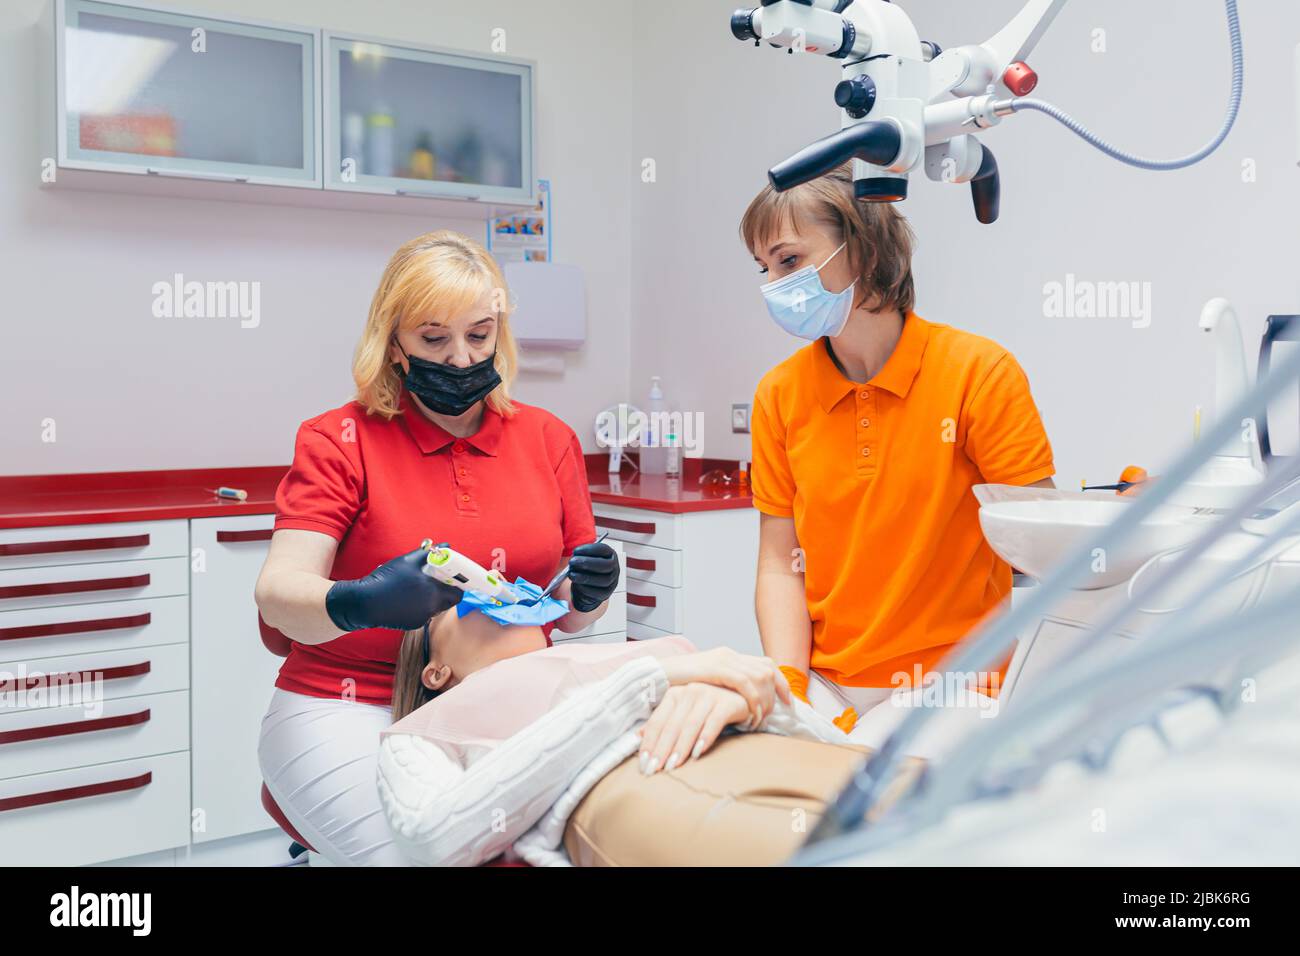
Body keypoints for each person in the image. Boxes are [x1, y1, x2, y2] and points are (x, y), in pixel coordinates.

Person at [254, 231, 620, 865]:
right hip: (348, 698)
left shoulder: (547, 438)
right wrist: (361, 602)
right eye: (433, 338)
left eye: (479, 336)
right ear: (393, 342)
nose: (459, 358)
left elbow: (572, 615)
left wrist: (588, 593)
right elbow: (280, 596)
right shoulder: (339, 439)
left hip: (510, 699)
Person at [741, 163, 1056, 736]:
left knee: (863, 797)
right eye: (764, 269)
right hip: (826, 682)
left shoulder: (977, 374)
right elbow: (779, 565)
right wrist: (787, 686)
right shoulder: (779, 395)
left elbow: (1042, 544)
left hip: (953, 685)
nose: (774, 286)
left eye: (789, 261)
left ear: (859, 250)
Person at [377, 604, 910, 866]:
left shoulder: (602, 657)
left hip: (780, 751)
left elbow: (819, 736)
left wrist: (740, 702)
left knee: (954, 818)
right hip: (654, 787)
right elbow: (431, 836)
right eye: (462, 598)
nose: (492, 588)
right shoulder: (422, 735)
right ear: (436, 671)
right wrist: (644, 686)